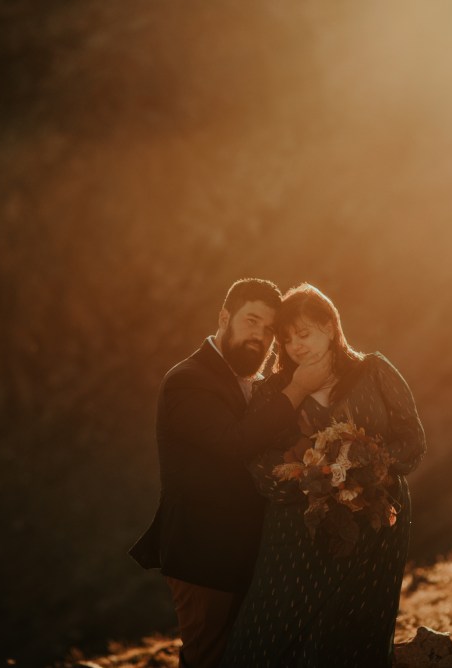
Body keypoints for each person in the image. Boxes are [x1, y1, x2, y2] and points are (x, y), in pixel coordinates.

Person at [129, 278, 333, 668]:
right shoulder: (188, 380)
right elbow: (234, 443)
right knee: (208, 658)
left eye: (270, 330)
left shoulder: (253, 383)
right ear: (225, 317)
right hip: (202, 554)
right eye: (251, 321)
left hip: (248, 553)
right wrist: (298, 388)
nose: (260, 335)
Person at [219, 283, 426, 668]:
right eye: (286, 339)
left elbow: (412, 440)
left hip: (375, 520)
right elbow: (257, 461)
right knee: (276, 622)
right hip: (299, 528)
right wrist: (316, 479)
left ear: (330, 327)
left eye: (304, 334)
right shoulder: (275, 390)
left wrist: (366, 468)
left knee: (358, 618)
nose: (296, 346)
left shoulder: (375, 371)